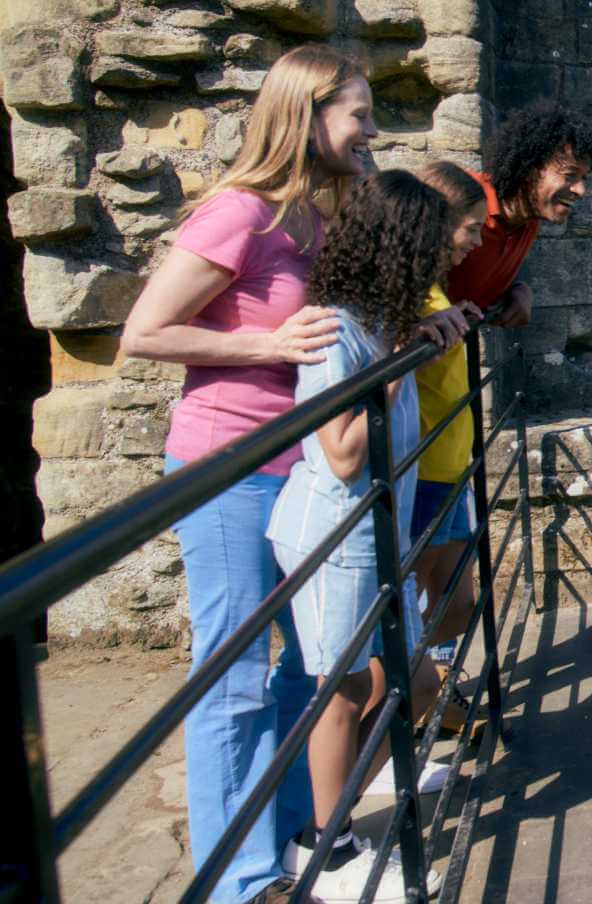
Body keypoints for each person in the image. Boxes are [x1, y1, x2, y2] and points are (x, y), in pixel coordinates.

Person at [122, 45, 373, 904]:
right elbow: (145, 332)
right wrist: (262, 344)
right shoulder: (239, 212)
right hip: (229, 467)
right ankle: (237, 878)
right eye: (359, 116)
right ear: (307, 116)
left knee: (314, 662)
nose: (372, 132)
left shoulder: (325, 216)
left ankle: (291, 827)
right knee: (232, 674)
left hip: (302, 469)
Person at [266, 171, 451, 903]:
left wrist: (413, 349)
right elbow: (342, 453)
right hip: (335, 535)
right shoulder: (334, 329)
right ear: (399, 248)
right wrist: (396, 362)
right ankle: (325, 849)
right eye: (430, 249)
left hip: (374, 533)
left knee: (418, 679)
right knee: (341, 694)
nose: (439, 265)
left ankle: (329, 822)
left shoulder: (371, 325)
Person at [407, 162, 489, 733]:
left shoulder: (433, 291)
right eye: (472, 229)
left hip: (450, 465)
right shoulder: (410, 292)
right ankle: (413, 700)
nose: (479, 243)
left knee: (458, 605)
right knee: (412, 603)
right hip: (420, 473)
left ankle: (424, 686)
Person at [445, 101, 592, 325]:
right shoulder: (462, 197)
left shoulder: (528, 220)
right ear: (529, 169)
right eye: (570, 175)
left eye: (584, 178)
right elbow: (399, 264)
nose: (581, 190)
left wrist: (520, 290)